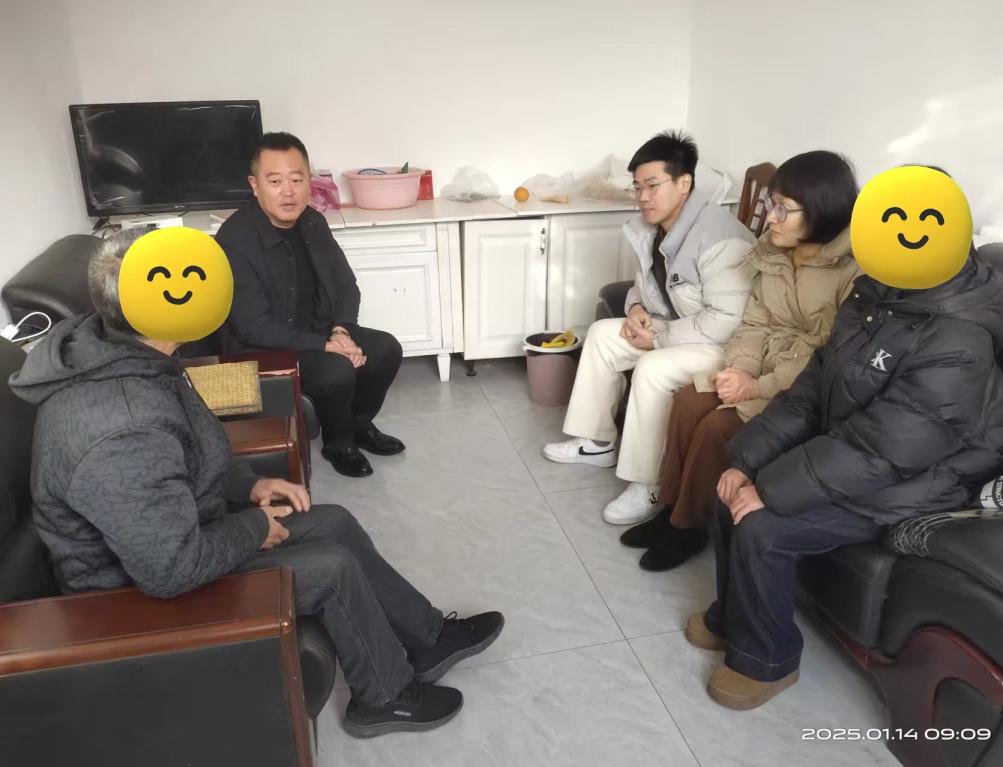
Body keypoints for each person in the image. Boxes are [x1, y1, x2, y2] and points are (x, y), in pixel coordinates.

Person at [9, 228, 504, 738]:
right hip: (133, 593)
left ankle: (426, 637)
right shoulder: (122, 424)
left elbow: (188, 449)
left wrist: (248, 487)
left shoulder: (130, 352)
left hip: (172, 534)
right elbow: (168, 569)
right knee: (330, 570)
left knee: (334, 521)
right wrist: (254, 528)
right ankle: (386, 696)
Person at [686, 167, 1003, 711]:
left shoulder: (959, 335)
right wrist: (749, 460)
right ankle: (734, 616)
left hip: (925, 477)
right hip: (861, 451)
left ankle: (767, 660)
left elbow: (887, 448)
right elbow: (812, 387)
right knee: (731, 489)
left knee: (763, 527)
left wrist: (769, 490)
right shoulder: (876, 293)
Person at [621, 151, 860, 571]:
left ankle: (688, 527)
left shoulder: (852, 270)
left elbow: (828, 351)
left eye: (783, 209)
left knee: (716, 426)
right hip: (759, 366)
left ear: (822, 209)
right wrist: (742, 369)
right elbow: (754, 321)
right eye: (771, 204)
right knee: (688, 402)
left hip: (800, 387)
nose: (771, 218)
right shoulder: (774, 253)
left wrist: (758, 386)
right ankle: (671, 506)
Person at [542, 131, 755, 524]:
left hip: (724, 345)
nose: (643, 196)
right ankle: (596, 442)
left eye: (653, 186)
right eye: (637, 187)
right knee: (604, 335)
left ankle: (648, 482)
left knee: (653, 369)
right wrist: (637, 308)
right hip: (678, 331)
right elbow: (644, 287)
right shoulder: (651, 229)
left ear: (684, 183)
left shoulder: (720, 238)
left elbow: (728, 321)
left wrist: (657, 337)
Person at [216, 131, 403, 479]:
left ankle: (359, 426)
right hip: (265, 347)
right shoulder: (234, 238)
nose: (288, 191)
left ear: (308, 182)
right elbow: (252, 327)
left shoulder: (313, 222)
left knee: (386, 350)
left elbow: (346, 286)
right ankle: (339, 443)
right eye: (275, 181)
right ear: (255, 185)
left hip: (318, 330)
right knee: (337, 370)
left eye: (297, 179)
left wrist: (341, 331)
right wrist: (326, 346)